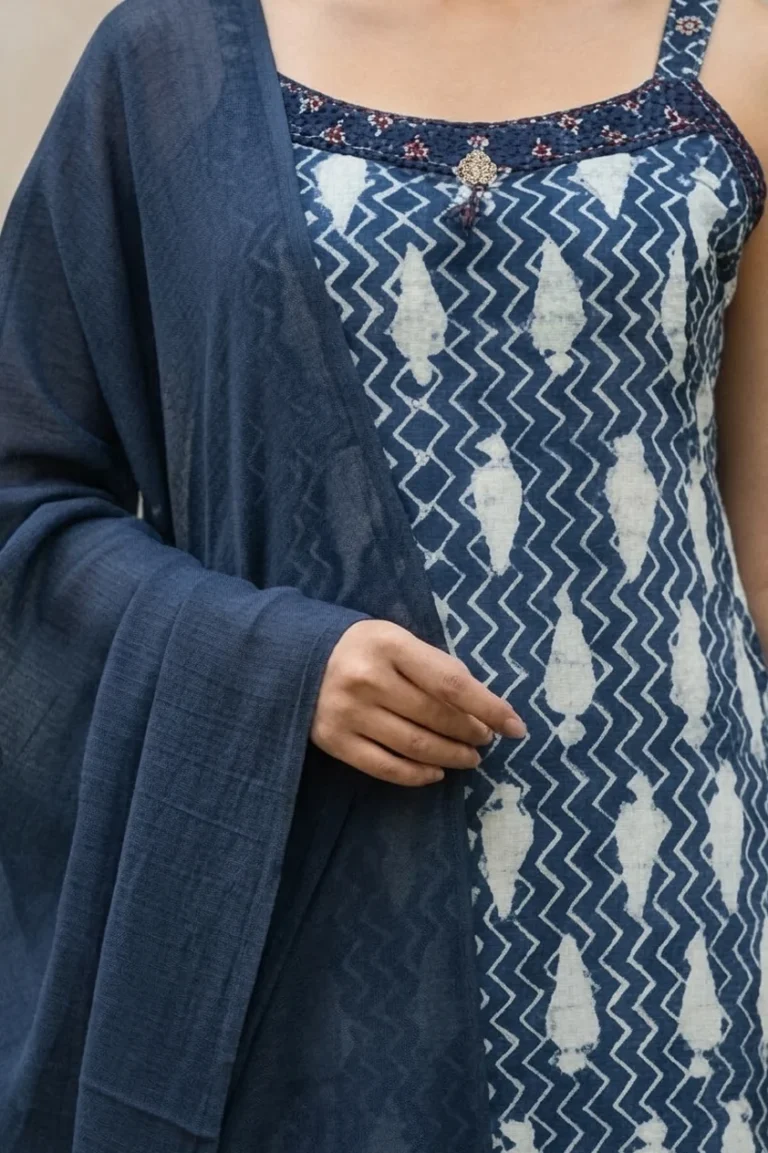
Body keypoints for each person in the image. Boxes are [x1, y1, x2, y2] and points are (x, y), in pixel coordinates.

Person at [1, 0, 767, 1149]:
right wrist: (272, 665)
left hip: (683, 909)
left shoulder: (738, 42)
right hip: (326, 899)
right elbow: (21, 484)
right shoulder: (173, 59)